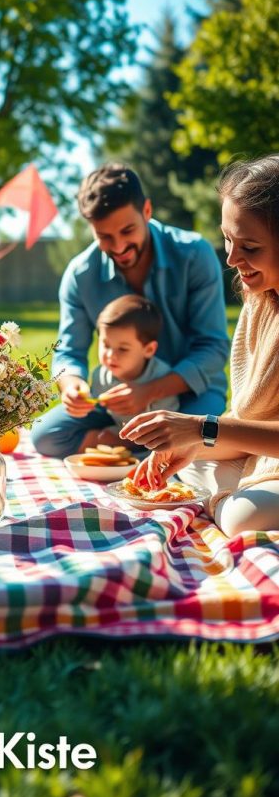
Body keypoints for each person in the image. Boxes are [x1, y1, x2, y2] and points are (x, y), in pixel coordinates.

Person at [121, 154, 279, 537]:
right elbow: (249, 421)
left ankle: (220, 501)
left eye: (250, 247)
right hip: (264, 456)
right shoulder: (261, 302)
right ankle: (222, 494)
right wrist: (193, 444)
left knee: (245, 518)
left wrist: (201, 429)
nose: (230, 257)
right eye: (227, 238)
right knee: (183, 463)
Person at [31, 162, 229, 458]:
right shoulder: (80, 275)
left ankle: (139, 446)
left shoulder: (194, 254)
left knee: (194, 448)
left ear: (147, 211)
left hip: (190, 395)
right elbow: (68, 352)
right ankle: (135, 445)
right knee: (45, 436)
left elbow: (213, 348)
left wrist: (148, 391)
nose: (120, 246)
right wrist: (72, 386)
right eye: (105, 237)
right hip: (115, 403)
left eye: (127, 230)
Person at [80, 294, 179, 454]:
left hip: (155, 439)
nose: (110, 355)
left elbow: (167, 428)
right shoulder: (100, 375)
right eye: (105, 345)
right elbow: (100, 412)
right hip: (121, 430)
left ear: (149, 350)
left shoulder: (161, 377)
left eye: (123, 349)